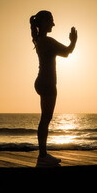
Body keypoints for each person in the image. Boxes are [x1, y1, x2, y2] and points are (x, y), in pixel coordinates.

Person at [30, 10, 77, 166]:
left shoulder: (39, 40)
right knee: (45, 120)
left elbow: (64, 54)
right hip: (48, 83)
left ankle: (43, 155)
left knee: (45, 119)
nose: (53, 24)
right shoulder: (47, 41)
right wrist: (73, 41)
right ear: (44, 22)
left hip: (41, 81)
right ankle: (42, 156)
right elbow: (67, 52)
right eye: (51, 21)